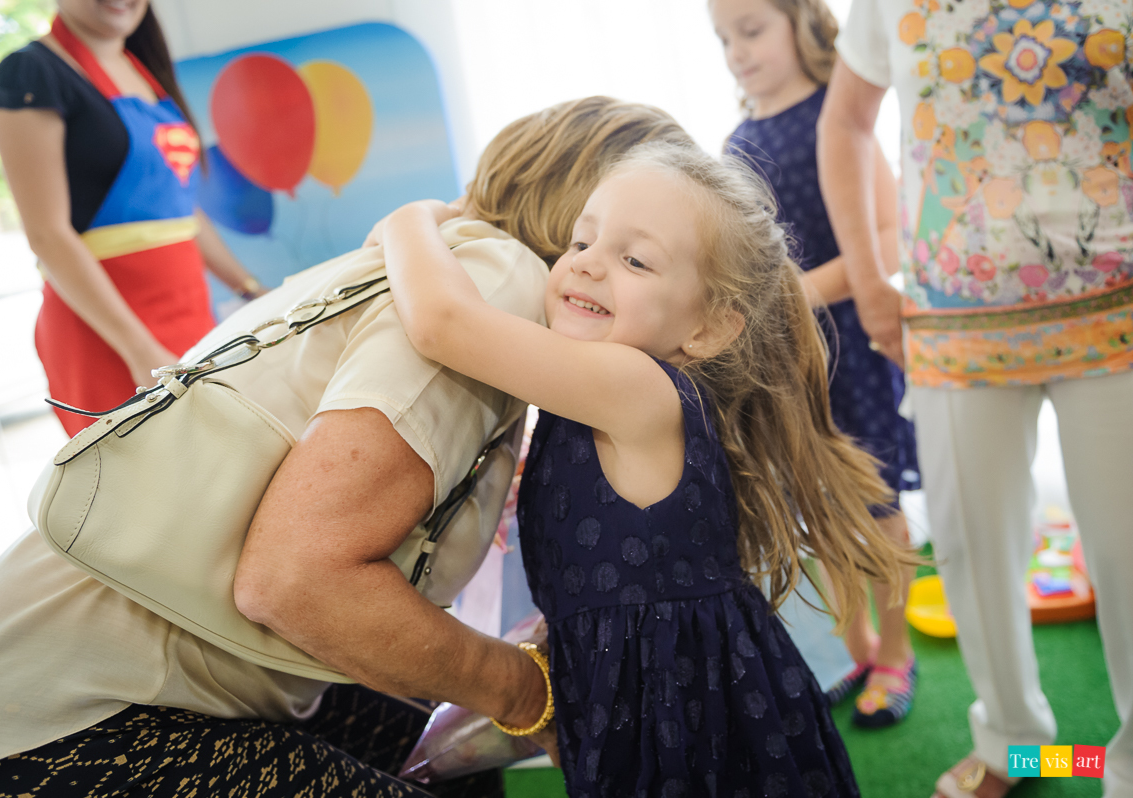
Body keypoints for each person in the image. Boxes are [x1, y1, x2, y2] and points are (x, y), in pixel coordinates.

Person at [0, 96, 691, 797]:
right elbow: (295, 582)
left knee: (454, 762)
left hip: (97, 680)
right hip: (49, 725)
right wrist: (525, 690)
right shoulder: (498, 281)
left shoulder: (444, 256)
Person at [377, 140, 921, 797]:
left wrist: (409, 220)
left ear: (710, 329)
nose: (590, 267)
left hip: (690, 712)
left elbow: (441, 322)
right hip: (638, 697)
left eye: (635, 259)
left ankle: (1081, 764)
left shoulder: (634, 384)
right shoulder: (600, 394)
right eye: (581, 243)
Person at [818, 1, 1133, 795]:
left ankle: (1125, 770)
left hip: (1119, 313)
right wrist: (865, 280)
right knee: (971, 553)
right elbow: (847, 122)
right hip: (954, 323)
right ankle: (1014, 748)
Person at [712, 0, 920, 728]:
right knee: (820, 502)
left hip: (856, 347)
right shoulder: (736, 145)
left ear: (803, 23)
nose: (737, 51)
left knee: (880, 505)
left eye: (751, 30)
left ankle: (897, 653)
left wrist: (804, 292)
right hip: (789, 363)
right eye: (724, 39)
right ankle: (858, 645)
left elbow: (892, 238)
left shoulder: (843, 114)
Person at [0, 0, 266, 437]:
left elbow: (180, 210)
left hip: (190, 316)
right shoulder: (30, 73)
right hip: (107, 336)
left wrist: (251, 290)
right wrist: (139, 349)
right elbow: (47, 234)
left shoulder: (144, 69)